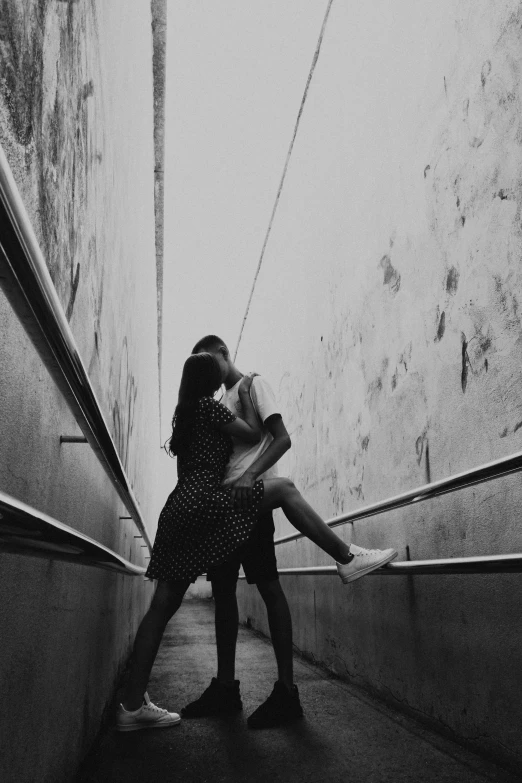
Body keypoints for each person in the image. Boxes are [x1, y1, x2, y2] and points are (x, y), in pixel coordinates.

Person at [116, 351, 397, 732]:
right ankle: (346, 556)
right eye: (215, 375)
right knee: (283, 489)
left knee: (162, 604)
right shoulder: (210, 407)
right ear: (207, 378)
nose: (221, 381)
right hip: (205, 501)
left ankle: (132, 704)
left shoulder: (183, 415)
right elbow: (252, 432)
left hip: (179, 507)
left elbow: (188, 469)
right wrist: (246, 393)